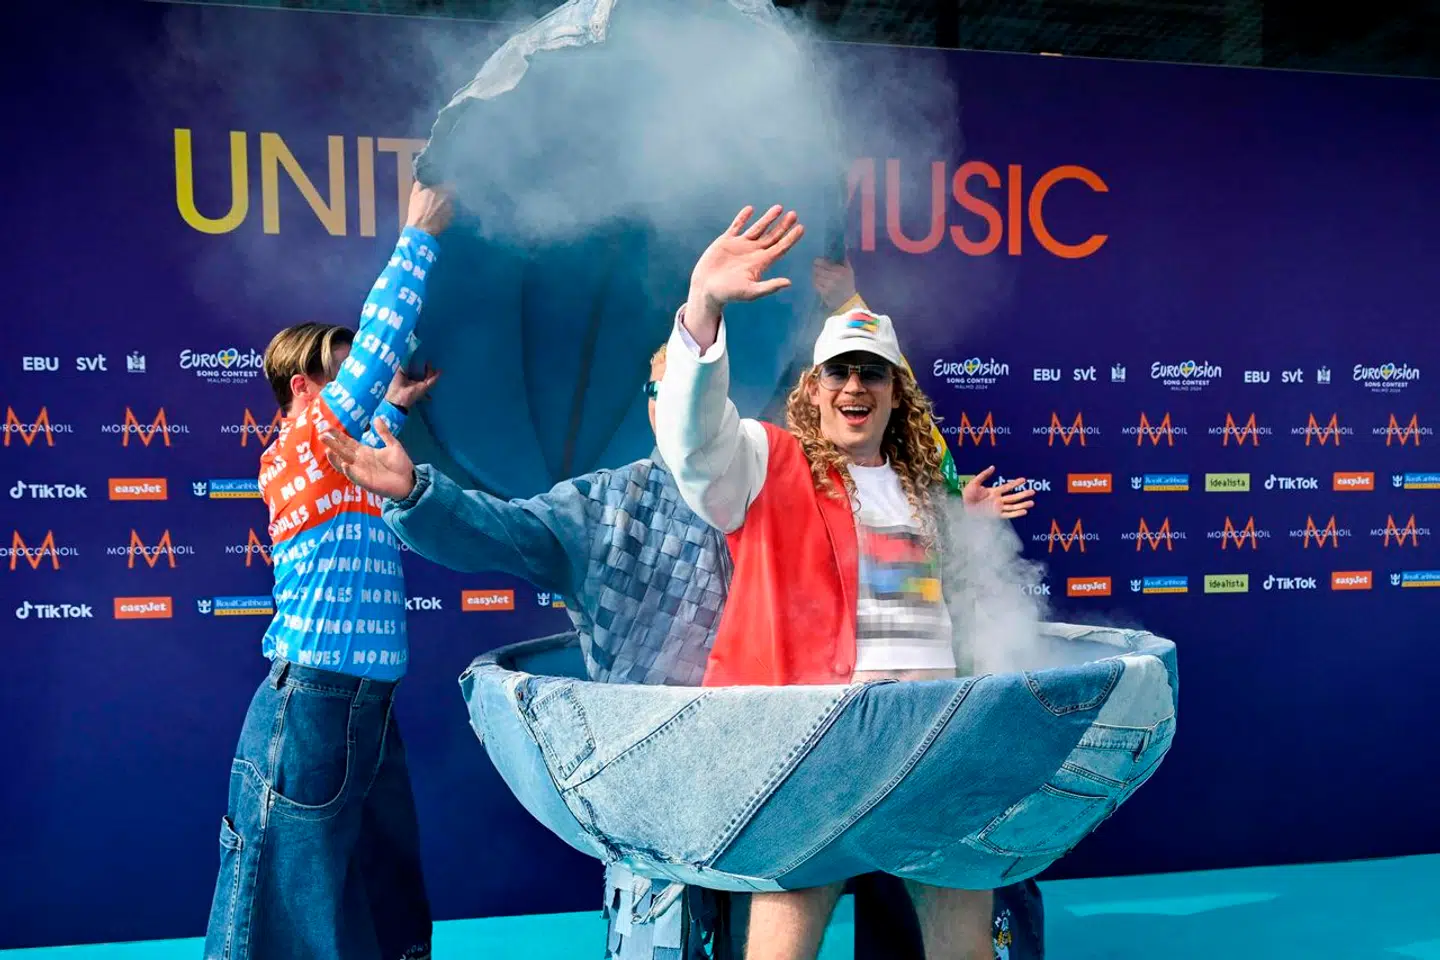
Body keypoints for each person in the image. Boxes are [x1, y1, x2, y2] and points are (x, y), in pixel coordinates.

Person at [655, 204, 1020, 960]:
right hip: (816, 750)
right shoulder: (766, 462)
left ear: (894, 392)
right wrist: (703, 307)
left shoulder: (926, 494)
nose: (855, 384)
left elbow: (974, 604)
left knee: (965, 949)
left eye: (872, 372)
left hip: (930, 744)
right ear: (815, 391)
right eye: (839, 372)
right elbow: (692, 446)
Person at [203, 182, 453, 960]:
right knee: (289, 905)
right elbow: (377, 345)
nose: (368, 388)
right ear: (303, 390)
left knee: (373, 893)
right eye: (348, 380)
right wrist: (417, 237)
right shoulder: (299, 441)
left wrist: (398, 409)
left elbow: (368, 440)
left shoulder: (339, 460)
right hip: (312, 702)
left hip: (361, 705)